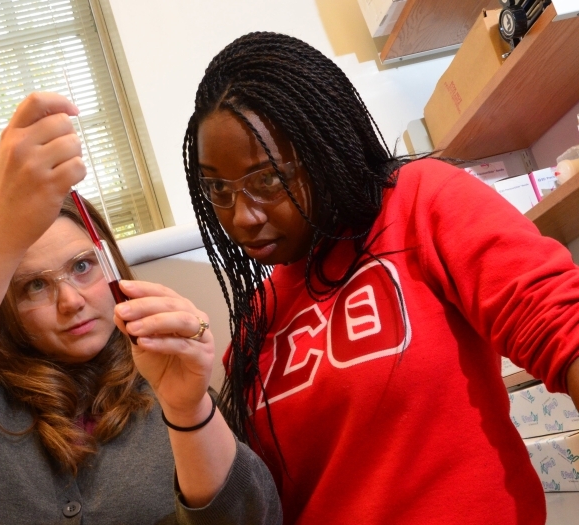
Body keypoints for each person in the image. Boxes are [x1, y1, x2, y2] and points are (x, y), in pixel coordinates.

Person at [136, 31, 579, 525]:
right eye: (217, 188)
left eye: (266, 179)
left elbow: (559, 324)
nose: (241, 216)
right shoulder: (255, 322)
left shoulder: (416, 203)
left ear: (323, 149)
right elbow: (261, 507)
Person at [0, 93, 281, 524]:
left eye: (83, 266)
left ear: (111, 265)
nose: (71, 301)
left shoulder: (168, 385)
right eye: (34, 287)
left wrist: (188, 412)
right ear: (3, 305)